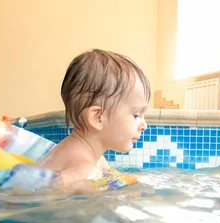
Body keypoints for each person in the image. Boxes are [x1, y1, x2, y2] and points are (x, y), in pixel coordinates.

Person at [36, 49, 151, 189]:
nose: (144, 125)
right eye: (136, 115)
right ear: (98, 117)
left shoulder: (95, 159)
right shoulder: (84, 170)